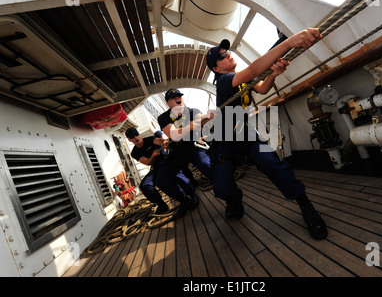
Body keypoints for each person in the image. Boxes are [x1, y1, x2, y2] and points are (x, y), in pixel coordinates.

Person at [205, 28, 328, 240]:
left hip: (245, 133)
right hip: (224, 138)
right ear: (216, 68)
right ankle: (234, 198)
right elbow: (253, 71)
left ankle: (305, 204)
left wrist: (273, 74)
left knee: (271, 163)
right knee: (222, 189)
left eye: (228, 51)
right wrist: (289, 42)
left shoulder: (239, 79)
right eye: (222, 56)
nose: (228, 55)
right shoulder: (225, 81)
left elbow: (261, 89)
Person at [156, 89, 214, 210]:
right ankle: (186, 199)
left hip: (194, 147)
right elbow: (173, 134)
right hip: (177, 151)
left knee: (205, 165)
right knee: (162, 181)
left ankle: (225, 187)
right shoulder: (163, 117)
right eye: (173, 97)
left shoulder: (194, 111)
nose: (178, 98)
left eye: (179, 96)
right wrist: (191, 126)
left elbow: (200, 120)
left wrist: (207, 118)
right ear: (168, 103)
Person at [125, 127, 195, 214]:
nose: (136, 138)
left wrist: (164, 142)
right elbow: (147, 162)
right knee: (145, 185)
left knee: (172, 175)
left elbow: (159, 141)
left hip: (166, 161)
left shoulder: (150, 139)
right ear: (129, 140)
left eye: (136, 135)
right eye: (132, 137)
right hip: (156, 167)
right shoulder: (134, 152)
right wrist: (153, 156)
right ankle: (163, 205)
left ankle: (192, 194)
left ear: (139, 135)